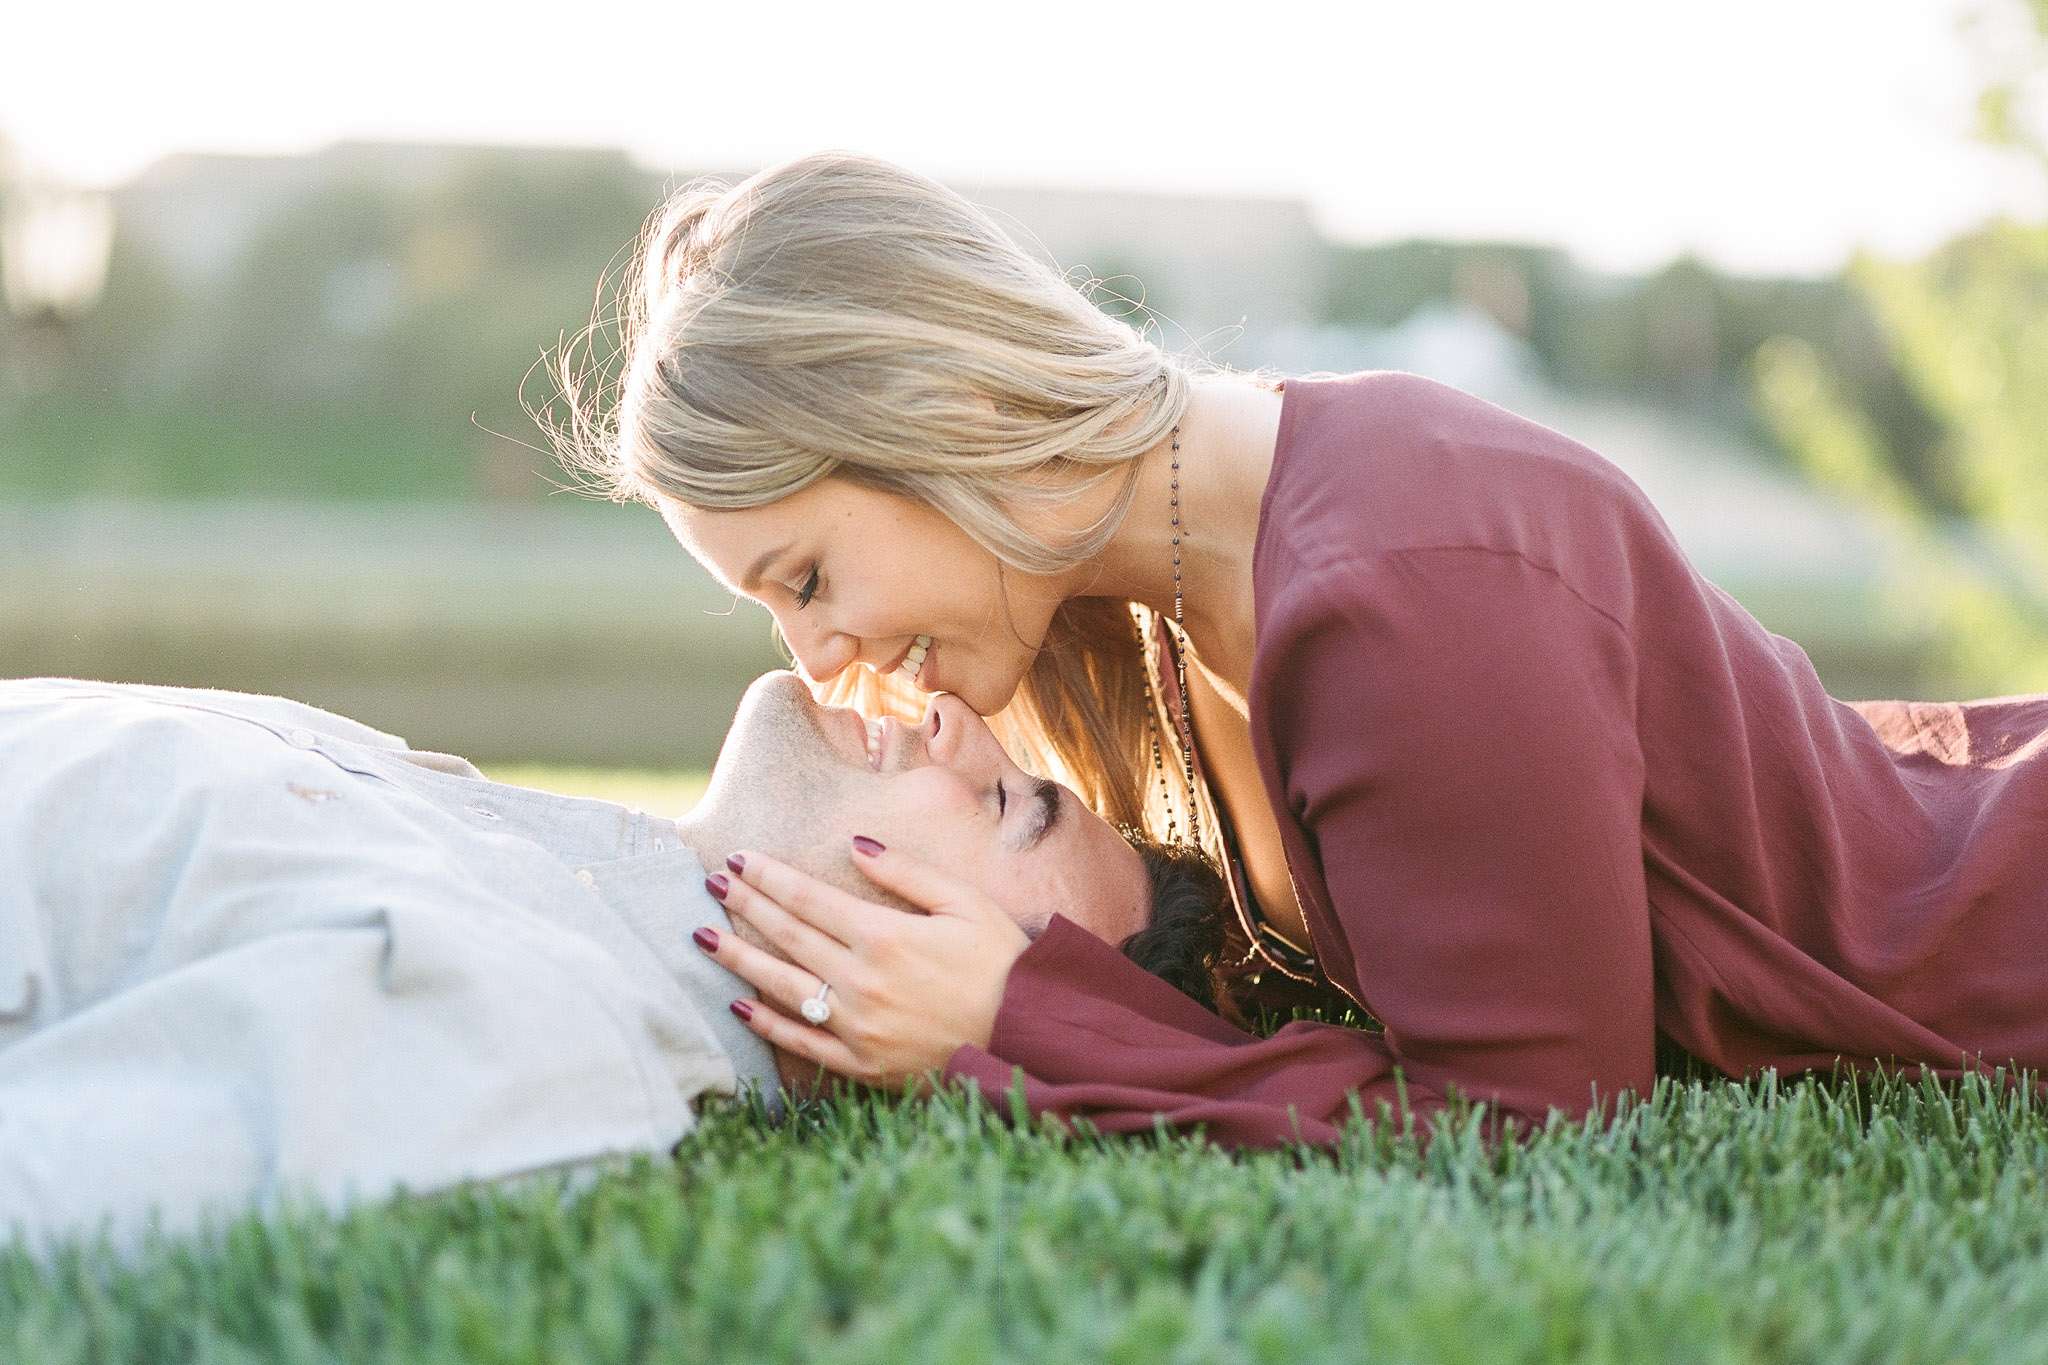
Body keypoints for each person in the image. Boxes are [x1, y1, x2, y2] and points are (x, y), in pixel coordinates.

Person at [552, 148, 2048, 1149]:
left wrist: (1019, 1029)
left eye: (807, 575)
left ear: (932, 419)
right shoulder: (1119, 608)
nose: (818, 658)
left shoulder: (1401, 582)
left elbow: (1529, 1126)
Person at [0, 671, 1225, 1250]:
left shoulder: (532, 1042)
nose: (958, 724)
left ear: (926, 988)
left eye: (1006, 806)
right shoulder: (473, 815)